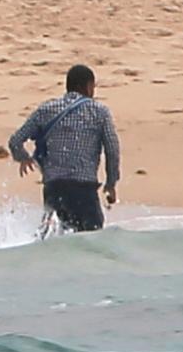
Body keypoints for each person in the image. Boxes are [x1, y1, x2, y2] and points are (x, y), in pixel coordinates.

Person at [7, 64, 121, 234]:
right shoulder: (99, 112)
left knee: (54, 238)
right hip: (83, 189)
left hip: (53, 188)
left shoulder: (46, 110)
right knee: (92, 239)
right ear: (89, 86)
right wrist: (111, 183)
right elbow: (112, 149)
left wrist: (23, 157)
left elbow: (15, 141)